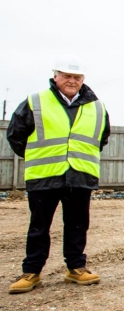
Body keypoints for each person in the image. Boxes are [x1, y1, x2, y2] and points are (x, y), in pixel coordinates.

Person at [6, 60, 110, 294]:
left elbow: (101, 138)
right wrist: (38, 156)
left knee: (77, 224)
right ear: (56, 77)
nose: (71, 81)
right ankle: (32, 271)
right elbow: (16, 135)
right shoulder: (36, 102)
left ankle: (76, 268)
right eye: (66, 76)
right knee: (39, 226)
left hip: (80, 174)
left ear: (82, 79)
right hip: (45, 176)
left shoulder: (97, 106)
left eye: (76, 77)